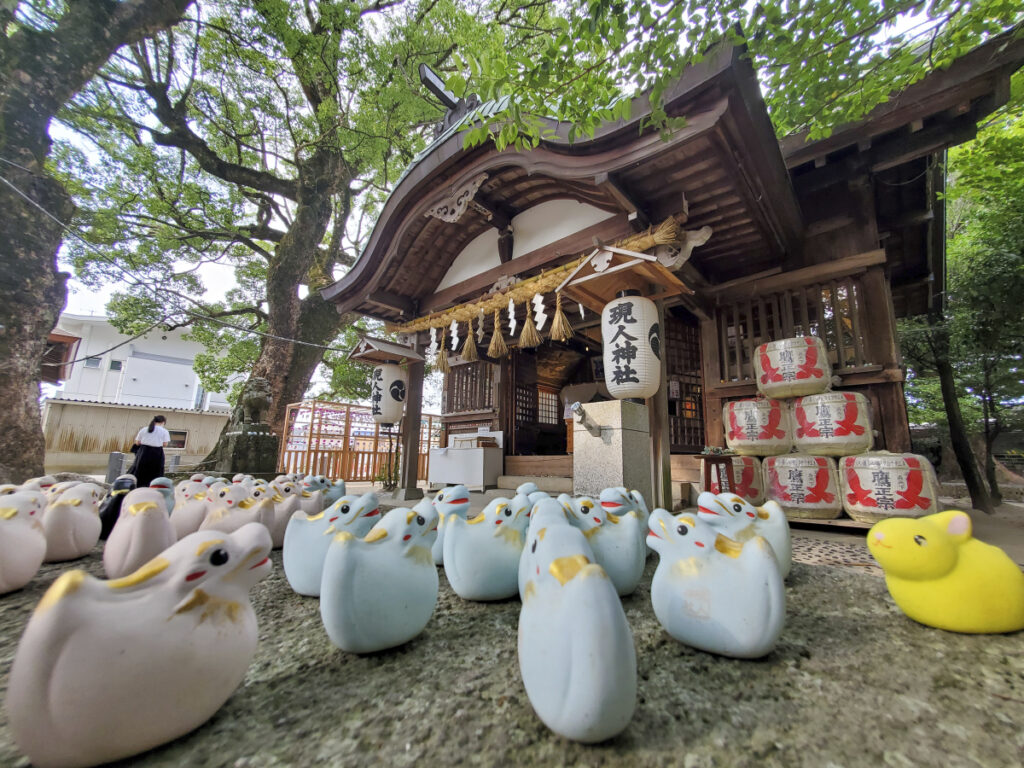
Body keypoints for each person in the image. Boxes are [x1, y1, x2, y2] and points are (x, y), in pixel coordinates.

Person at [129, 414, 170, 488]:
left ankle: (138, 486)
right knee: (156, 471)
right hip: (157, 453)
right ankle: (153, 486)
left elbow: (137, 442)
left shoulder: (144, 429)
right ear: (163, 422)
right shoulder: (164, 431)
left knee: (140, 470)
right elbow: (165, 444)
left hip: (144, 452)